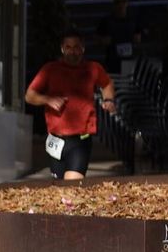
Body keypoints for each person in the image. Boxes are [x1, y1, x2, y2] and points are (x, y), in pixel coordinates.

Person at [25, 29, 117, 180]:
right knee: (61, 188)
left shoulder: (93, 68)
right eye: (68, 47)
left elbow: (106, 84)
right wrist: (48, 100)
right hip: (56, 140)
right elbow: (29, 96)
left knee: (72, 185)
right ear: (62, 49)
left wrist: (108, 100)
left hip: (80, 140)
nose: (72, 51)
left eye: (76, 47)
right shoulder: (50, 69)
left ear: (82, 49)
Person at [97, 0, 143, 76]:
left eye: (123, 2)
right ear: (114, 5)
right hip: (113, 60)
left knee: (127, 80)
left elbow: (138, 37)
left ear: (126, 4)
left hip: (128, 59)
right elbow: (99, 38)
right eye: (118, 2)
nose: (121, 5)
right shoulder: (106, 21)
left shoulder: (132, 20)